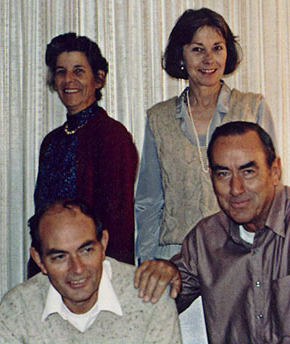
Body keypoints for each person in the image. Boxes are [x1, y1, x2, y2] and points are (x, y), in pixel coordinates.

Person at [135, 8, 277, 263]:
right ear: (181, 54)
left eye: (217, 48)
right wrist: (146, 263)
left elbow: (269, 190)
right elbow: (148, 203)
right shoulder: (159, 118)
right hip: (174, 259)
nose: (209, 59)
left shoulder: (251, 108)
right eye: (198, 49)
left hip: (240, 255)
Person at [135, 122, 290, 343]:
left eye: (248, 172)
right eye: (224, 174)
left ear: (274, 172)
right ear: (211, 177)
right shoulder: (206, 238)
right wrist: (162, 272)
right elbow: (159, 299)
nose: (236, 189)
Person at [0, 199, 181, 343]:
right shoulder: (17, 309)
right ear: (39, 259)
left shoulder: (149, 297)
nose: (77, 269)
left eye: (86, 250)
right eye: (60, 257)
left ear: (103, 244)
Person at [33, 33, 138, 274]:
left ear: (98, 79)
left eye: (78, 71)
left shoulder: (112, 135)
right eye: (61, 71)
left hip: (92, 270)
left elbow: (118, 221)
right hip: (51, 267)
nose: (68, 80)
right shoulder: (52, 141)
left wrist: (113, 277)